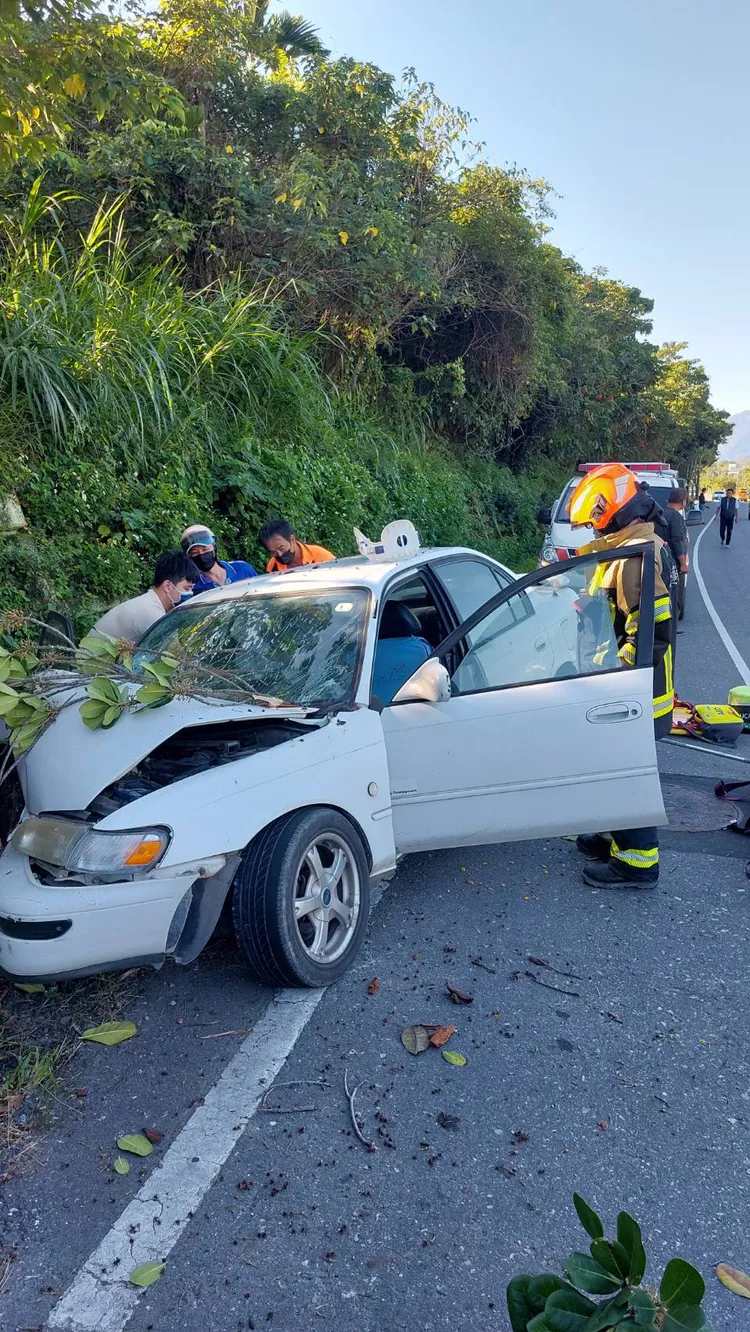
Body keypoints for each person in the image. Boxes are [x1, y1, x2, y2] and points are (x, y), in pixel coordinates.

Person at [568, 463, 674, 890]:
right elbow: (608, 610)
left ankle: (637, 862)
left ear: (616, 512)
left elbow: (651, 632)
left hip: (633, 688)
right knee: (609, 764)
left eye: (597, 521)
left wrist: (620, 677)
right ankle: (612, 840)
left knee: (627, 771)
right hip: (621, 682)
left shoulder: (636, 559)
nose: (594, 531)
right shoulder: (629, 548)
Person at [92, 551, 198, 643]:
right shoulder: (151, 613)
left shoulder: (149, 603)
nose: (190, 593)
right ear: (168, 586)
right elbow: (176, 653)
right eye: (187, 589)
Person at [180, 525, 257, 593]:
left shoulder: (242, 568)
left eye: (205, 549)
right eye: (195, 552)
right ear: (189, 557)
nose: (201, 555)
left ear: (214, 548)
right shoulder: (192, 586)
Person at [259, 519, 335, 573]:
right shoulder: (273, 567)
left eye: (281, 548)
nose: (280, 554)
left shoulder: (321, 556)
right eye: (273, 552)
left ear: (292, 540)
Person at [663, 488, 689, 619]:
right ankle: (672, 626)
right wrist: (683, 563)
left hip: (661, 560)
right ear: (682, 501)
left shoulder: (660, 514)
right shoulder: (676, 517)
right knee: (676, 594)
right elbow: (677, 540)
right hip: (673, 563)